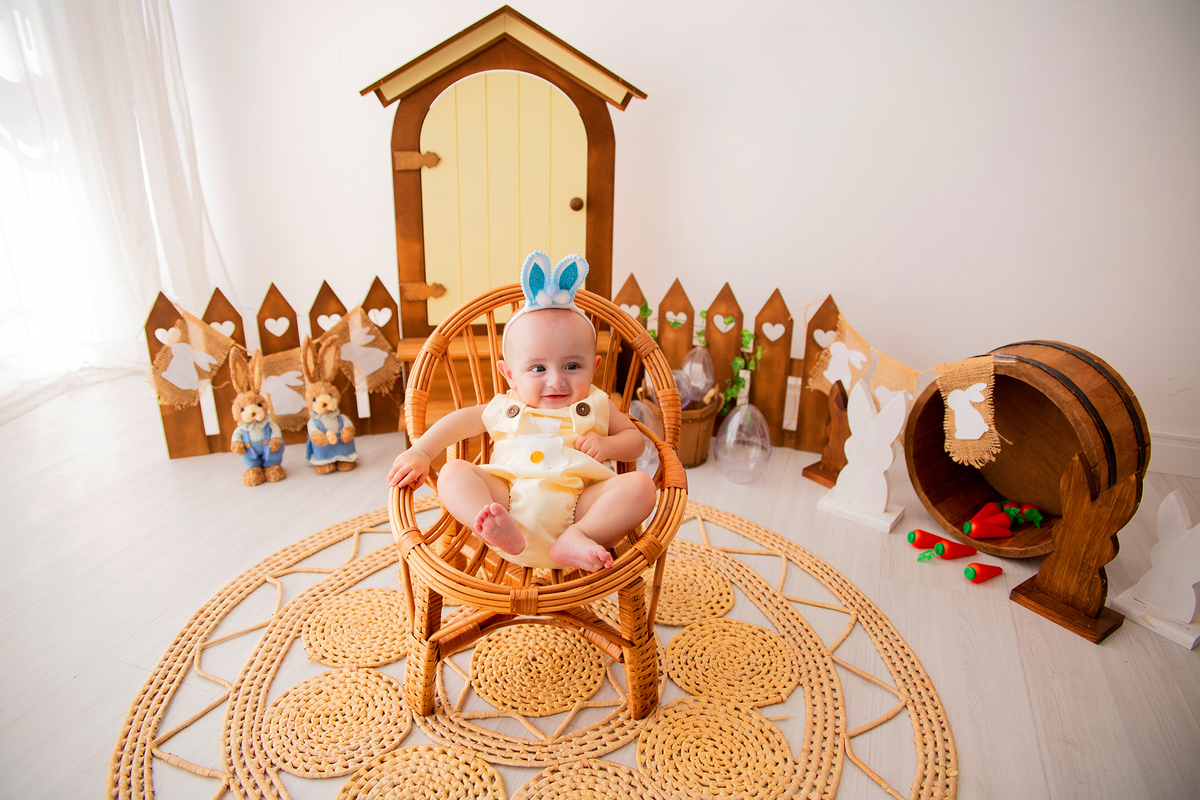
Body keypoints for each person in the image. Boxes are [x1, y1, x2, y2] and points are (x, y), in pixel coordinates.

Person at [387, 252, 656, 572]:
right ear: (510, 375)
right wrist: (422, 451)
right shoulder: (507, 406)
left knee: (641, 487)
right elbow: (460, 421)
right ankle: (490, 527)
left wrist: (610, 446)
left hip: (582, 511)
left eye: (572, 366)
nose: (556, 380)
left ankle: (577, 538)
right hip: (508, 505)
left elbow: (634, 440)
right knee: (453, 472)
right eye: (538, 368)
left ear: (594, 367)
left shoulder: (596, 404)